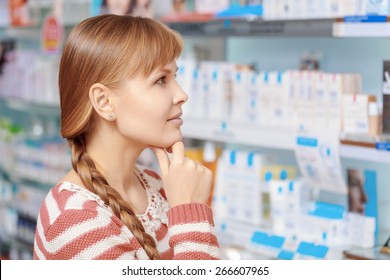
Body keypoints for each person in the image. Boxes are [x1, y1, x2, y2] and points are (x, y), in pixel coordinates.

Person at [33, 14, 220, 260]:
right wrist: (191, 213)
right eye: (161, 80)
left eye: (175, 76)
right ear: (104, 101)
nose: (182, 94)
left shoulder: (158, 186)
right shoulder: (74, 219)